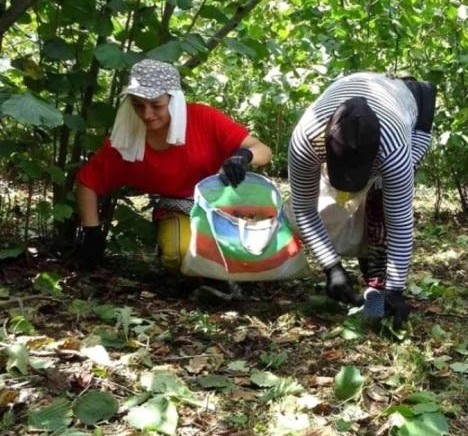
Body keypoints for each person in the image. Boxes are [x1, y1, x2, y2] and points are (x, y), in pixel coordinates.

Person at [75, 59, 272, 298]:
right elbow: (88, 181)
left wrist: (242, 156)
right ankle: (215, 280)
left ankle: (231, 274)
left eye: (156, 105)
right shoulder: (128, 140)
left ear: (174, 100)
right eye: (138, 106)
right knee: (178, 254)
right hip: (178, 207)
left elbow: (263, 150)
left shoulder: (204, 119)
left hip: (225, 206)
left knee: (262, 247)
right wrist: (92, 233)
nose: (147, 115)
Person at [287, 72, 435, 329]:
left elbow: (399, 223)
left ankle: (378, 286)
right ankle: (371, 282)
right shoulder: (306, 139)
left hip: (413, 105)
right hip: (356, 89)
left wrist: (396, 290)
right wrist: (331, 266)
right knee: (332, 205)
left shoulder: (395, 151)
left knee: (379, 212)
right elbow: (304, 207)